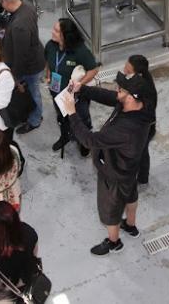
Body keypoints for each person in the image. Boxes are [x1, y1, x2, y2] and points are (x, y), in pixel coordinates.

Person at [63, 72, 153, 255]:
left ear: (130, 97)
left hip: (114, 174)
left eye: (120, 89)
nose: (116, 90)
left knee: (110, 211)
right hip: (129, 169)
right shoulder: (140, 105)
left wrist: (72, 113)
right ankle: (130, 225)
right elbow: (110, 97)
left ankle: (114, 242)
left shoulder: (125, 129)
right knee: (130, 194)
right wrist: (83, 89)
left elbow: (90, 140)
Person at [44, 18, 99, 157]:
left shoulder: (80, 51)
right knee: (62, 117)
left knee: (81, 118)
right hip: (56, 91)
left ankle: (84, 142)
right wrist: (48, 75)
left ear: (66, 35)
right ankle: (65, 136)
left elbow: (93, 70)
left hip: (76, 96)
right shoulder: (50, 46)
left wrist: (80, 85)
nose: (52, 32)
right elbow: (48, 62)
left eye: (57, 31)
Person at [0, 0, 46, 134]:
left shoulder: (19, 26)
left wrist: (15, 77)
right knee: (32, 92)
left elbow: (21, 56)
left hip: (29, 67)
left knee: (33, 93)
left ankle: (35, 120)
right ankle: (31, 113)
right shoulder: (27, 5)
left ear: (5, 2)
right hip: (35, 57)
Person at [127, 55, 157, 185]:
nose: (125, 68)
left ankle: (143, 177)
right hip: (142, 124)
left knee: (142, 151)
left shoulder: (143, 87)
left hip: (145, 126)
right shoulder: (141, 79)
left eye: (128, 66)